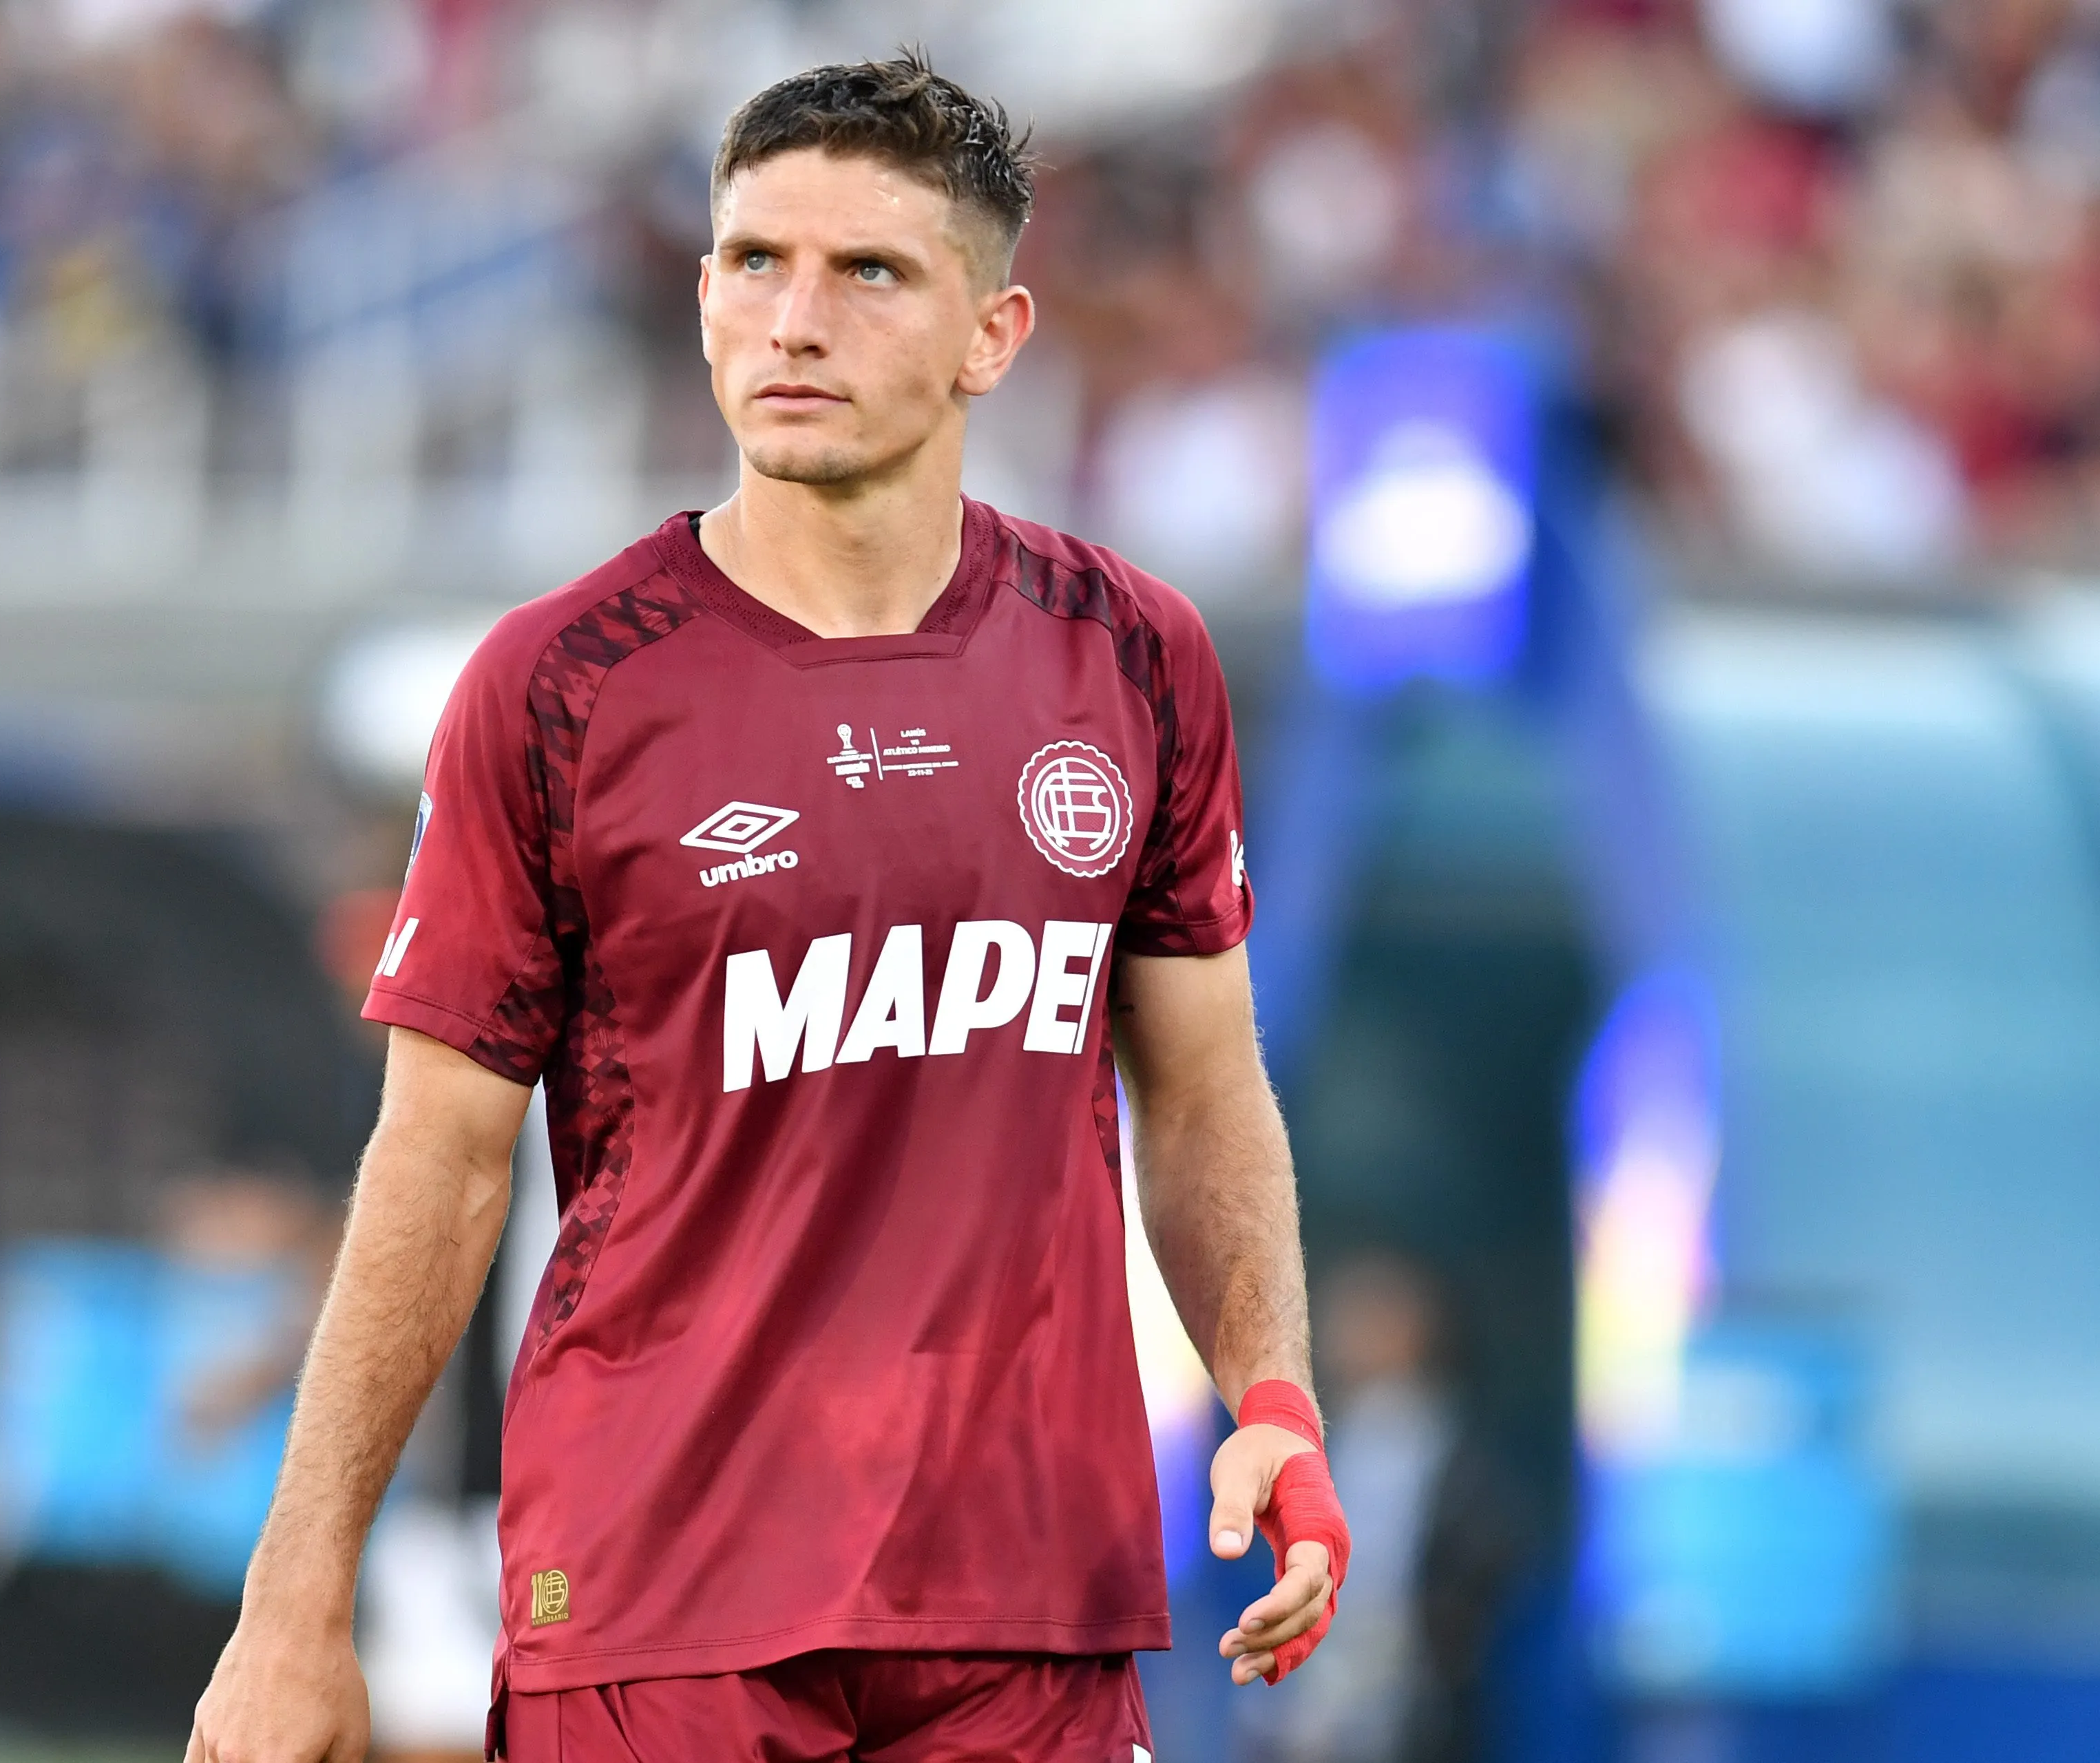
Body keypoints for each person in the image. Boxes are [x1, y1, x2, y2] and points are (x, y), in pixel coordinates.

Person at [189, 53, 1350, 1763]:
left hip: (1026, 1603)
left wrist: (1274, 1389)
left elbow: (1200, 1087)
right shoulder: (557, 685)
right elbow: (433, 1162)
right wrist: (292, 1604)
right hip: (664, 1594)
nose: (792, 319)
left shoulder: (1134, 656)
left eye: (868, 271)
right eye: (753, 261)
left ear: (993, 336)